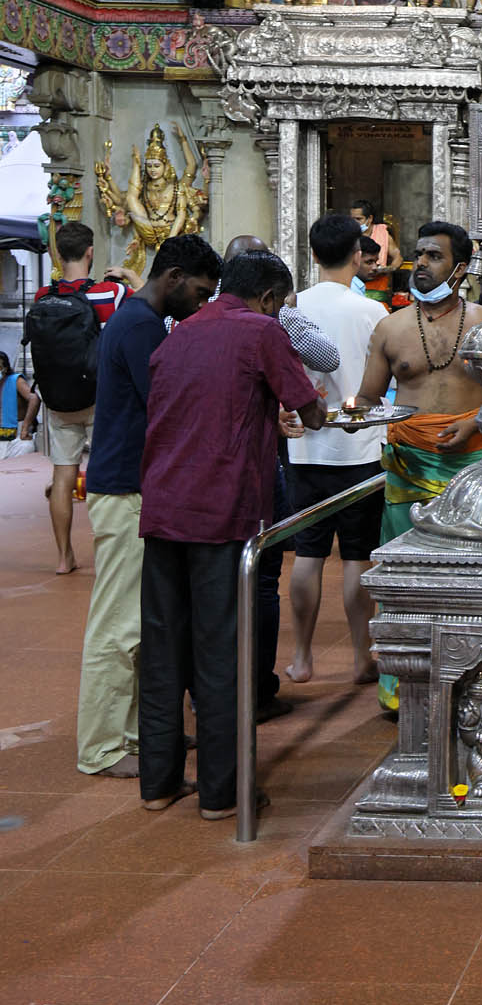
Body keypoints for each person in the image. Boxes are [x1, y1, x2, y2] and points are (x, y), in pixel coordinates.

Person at [137, 250, 326, 819]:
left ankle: (159, 784)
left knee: (165, 650)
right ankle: (221, 794)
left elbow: (198, 409)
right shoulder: (260, 332)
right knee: (222, 651)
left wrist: (262, 412)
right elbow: (311, 410)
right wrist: (304, 412)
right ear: (269, 298)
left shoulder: (180, 331)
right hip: (219, 511)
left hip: (163, 507)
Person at [76, 234, 221, 780]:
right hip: (123, 489)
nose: (201, 304)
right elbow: (166, 399)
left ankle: (136, 733)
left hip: (134, 485)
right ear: (175, 276)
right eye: (200, 292)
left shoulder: (140, 321)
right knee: (116, 626)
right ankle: (103, 747)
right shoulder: (138, 325)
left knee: (138, 623)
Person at [349, 220, 482, 711]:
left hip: (471, 469)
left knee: (472, 580)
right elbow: (368, 400)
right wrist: (350, 415)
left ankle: (477, 679)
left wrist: (473, 420)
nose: (422, 265)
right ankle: (399, 692)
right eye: (418, 255)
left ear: (462, 267)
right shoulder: (389, 327)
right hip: (408, 467)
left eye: (434, 256)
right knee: (401, 578)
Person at [222, 233, 340, 722]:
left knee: (208, 582)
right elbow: (326, 362)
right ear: (268, 291)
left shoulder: (181, 318)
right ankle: (255, 690)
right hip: (250, 466)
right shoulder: (273, 321)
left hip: (189, 471)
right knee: (262, 574)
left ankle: (209, 688)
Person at [284, 214, 387, 687]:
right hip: (360, 446)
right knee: (356, 557)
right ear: (357, 255)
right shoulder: (371, 312)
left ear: (312, 254)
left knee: (307, 554)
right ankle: (361, 658)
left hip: (304, 445)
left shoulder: (290, 307)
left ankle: (302, 657)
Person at [23, 221, 127, 573]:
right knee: (100, 475)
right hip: (99, 398)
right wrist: (125, 273)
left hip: (57, 399)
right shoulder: (109, 293)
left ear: (56, 254)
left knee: (64, 474)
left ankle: (64, 556)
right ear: (90, 252)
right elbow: (146, 305)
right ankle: (104, 557)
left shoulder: (42, 297)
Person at [349, 200, 401, 304]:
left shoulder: (383, 234)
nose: (354, 223)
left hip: (378, 287)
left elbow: (398, 258)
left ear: (370, 219)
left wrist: (388, 269)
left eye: (358, 219)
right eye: (352, 219)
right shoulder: (348, 235)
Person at [0, 350, 38, 458]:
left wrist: (25, 428)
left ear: (5, 369)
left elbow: (34, 399)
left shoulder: (15, 381)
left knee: (26, 447)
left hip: (17, 438)